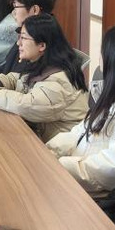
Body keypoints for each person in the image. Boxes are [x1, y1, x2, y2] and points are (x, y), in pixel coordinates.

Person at [0, 13, 88, 142]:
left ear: (42, 45)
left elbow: (28, 106)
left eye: (23, 38)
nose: (18, 43)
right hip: (39, 138)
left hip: (57, 149)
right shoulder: (42, 64)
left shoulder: (59, 80)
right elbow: (19, 79)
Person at [46, 26, 115, 195]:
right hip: (73, 177)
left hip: (93, 195)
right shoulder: (105, 91)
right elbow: (80, 131)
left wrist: (61, 165)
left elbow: (109, 167)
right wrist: (49, 151)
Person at [3, 0, 57, 74]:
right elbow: (5, 69)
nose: (13, 13)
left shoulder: (40, 40)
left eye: (16, 7)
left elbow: (21, 79)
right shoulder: (27, 32)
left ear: (35, 10)